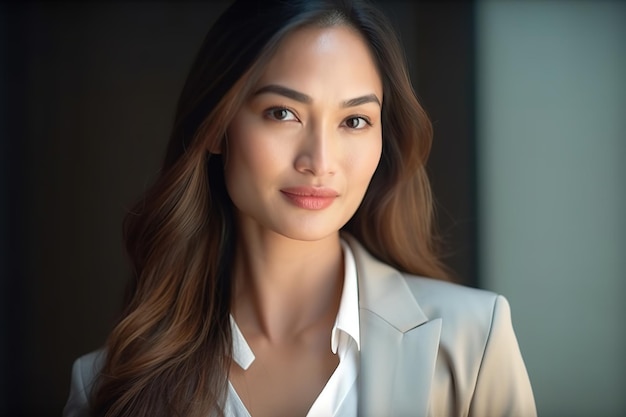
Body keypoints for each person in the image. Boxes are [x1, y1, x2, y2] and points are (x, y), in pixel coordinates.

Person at [63, 0, 536, 416]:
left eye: (354, 120)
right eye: (283, 113)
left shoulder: (472, 344)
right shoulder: (108, 385)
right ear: (215, 128)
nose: (320, 162)